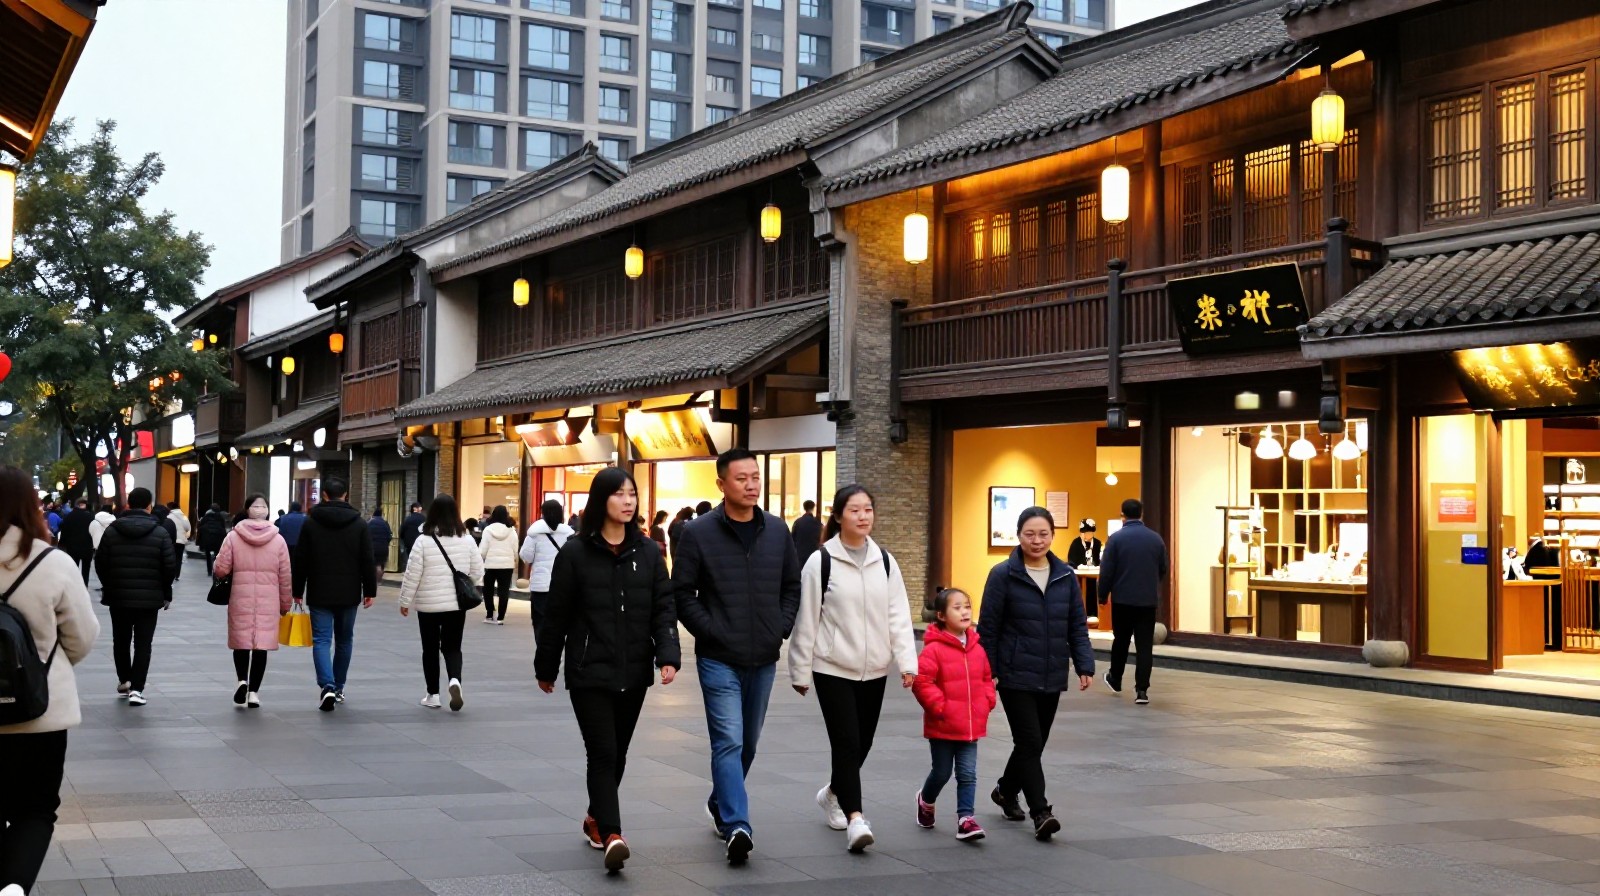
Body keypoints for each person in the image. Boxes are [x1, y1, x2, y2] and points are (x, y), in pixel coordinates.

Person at [536, 468, 680, 874]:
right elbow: (557, 615)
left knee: (618, 753)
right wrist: (546, 666)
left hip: (633, 671)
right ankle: (614, 834)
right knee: (602, 751)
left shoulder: (650, 553)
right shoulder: (575, 553)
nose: (628, 501)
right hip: (588, 671)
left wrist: (667, 653)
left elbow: (663, 607)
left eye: (632, 494)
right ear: (602, 501)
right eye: (619, 494)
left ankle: (595, 816)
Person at [673, 448, 802, 866]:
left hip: (763, 655)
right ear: (722, 484)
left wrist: (778, 628)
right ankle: (737, 825)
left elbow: (791, 587)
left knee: (748, 742)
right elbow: (682, 595)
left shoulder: (778, 531)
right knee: (728, 740)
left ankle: (719, 801)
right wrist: (712, 632)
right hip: (718, 657)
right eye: (742, 478)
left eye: (755, 477)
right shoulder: (697, 533)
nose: (751, 484)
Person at [787, 485, 917, 853]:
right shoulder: (820, 561)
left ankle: (832, 793)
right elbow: (807, 618)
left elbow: (898, 615)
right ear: (839, 515)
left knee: (863, 742)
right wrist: (800, 671)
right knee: (846, 742)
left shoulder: (886, 561)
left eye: (868, 510)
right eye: (855, 510)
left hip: (875, 668)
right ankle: (856, 818)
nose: (863, 516)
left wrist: (907, 662)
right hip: (832, 667)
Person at [0, 466, 99, 896]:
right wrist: (43, 671)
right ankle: (13, 887)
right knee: (35, 809)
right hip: (37, 713)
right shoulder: (51, 561)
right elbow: (82, 637)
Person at [975, 505, 1093, 841]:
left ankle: (1005, 790)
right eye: (1030, 534)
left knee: (1034, 744)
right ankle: (1041, 811)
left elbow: (1076, 624)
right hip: (1014, 674)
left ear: (1053, 536)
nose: (1037, 540)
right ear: (1019, 536)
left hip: (1052, 670)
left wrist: (1084, 663)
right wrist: (991, 670)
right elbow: (989, 627)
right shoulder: (1003, 574)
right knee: (1028, 740)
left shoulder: (1066, 576)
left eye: (1043, 534)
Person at [912, 588, 994, 842]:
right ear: (941, 615)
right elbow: (922, 682)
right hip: (943, 725)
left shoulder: (977, 648)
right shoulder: (933, 649)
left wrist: (987, 701)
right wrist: (941, 707)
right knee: (942, 772)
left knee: (968, 774)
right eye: (957, 607)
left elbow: (986, 678)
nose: (964, 611)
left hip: (971, 725)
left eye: (967, 606)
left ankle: (965, 819)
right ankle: (926, 800)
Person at [293, 477, 377, 712]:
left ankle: (327, 685)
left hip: (319, 590)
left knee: (321, 639)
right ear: (346, 495)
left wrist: (297, 590)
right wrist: (370, 590)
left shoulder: (311, 523)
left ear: (325, 496)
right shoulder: (359, 524)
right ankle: (338, 687)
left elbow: (301, 559)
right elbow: (367, 559)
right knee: (344, 640)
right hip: (349, 591)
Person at [95, 487, 179, 707]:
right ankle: (137, 689)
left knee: (120, 640)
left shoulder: (112, 531)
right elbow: (169, 566)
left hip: (118, 596)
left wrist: (109, 585)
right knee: (143, 643)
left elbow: (101, 562)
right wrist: (165, 589)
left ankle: (124, 679)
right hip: (149, 598)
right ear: (149, 505)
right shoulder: (160, 532)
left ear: (128, 505)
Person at [397, 494, 482, 711]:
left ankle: (432, 694)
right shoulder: (468, 539)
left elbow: (412, 573)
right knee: (453, 647)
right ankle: (455, 680)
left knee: (430, 648)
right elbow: (478, 571)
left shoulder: (423, 541)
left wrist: (405, 600)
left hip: (429, 605)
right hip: (456, 604)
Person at [213, 494, 293, 709]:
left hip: (240, 598)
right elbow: (285, 577)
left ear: (247, 510)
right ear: (267, 510)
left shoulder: (233, 537)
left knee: (241, 642)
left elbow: (221, 569)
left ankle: (241, 680)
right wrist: (285, 604)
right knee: (261, 647)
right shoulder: (278, 540)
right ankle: (254, 693)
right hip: (269, 601)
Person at [1099, 498, 1169, 706]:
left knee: (1121, 640)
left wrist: (1103, 595)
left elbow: (1107, 572)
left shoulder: (1116, 540)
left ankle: (1115, 678)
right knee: (1144, 646)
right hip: (1147, 601)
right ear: (1141, 514)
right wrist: (1151, 584)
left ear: (1123, 515)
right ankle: (1142, 690)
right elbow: (1163, 567)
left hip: (1122, 600)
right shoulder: (1156, 539)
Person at [519, 499, 573, 633]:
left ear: (543, 513)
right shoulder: (569, 535)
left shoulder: (534, 534)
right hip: (563, 584)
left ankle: (542, 649)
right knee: (559, 622)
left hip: (541, 585)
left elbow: (527, 557)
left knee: (540, 621)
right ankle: (556, 649)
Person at [478, 505, 518, 624]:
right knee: (504, 591)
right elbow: (515, 549)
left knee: (488, 590)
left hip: (490, 565)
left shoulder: (488, 530)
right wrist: (514, 559)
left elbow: (483, 550)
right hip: (507, 565)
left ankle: (489, 614)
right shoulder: (511, 530)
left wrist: (482, 559)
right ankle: (501, 617)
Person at [1066, 518, 1103, 621]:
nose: (1086, 535)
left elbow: (1101, 560)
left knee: (1094, 592)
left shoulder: (1098, 544)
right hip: (1080, 577)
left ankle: (1094, 614)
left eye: (1089, 532)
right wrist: (1078, 566)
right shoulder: (1076, 543)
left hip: (1094, 576)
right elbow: (1071, 561)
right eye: (1084, 533)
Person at [57, 500, 96, 585]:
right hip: (87, 546)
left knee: (73, 568)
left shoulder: (69, 516)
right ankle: (84, 586)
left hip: (72, 547)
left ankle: (74, 586)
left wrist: (62, 543)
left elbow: (64, 531)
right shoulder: (90, 517)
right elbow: (93, 531)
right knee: (86, 569)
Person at [196, 503, 229, 577]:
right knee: (217, 554)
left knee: (207, 555)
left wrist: (199, 541)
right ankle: (215, 569)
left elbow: (200, 528)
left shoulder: (206, 517)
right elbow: (223, 529)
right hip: (218, 539)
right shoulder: (221, 518)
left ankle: (209, 571)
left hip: (207, 539)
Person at [790, 500, 822, 570]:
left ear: (804, 508)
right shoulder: (817, 523)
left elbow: (792, 539)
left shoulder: (798, 522)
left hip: (800, 555)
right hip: (814, 554)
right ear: (813, 508)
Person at [166, 502, 192, 580]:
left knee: (171, 557)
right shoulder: (184, 516)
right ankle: (177, 574)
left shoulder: (168, 516)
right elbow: (188, 527)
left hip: (171, 540)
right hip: (181, 541)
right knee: (179, 558)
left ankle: (171, 573)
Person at [368, 507, 394, 582]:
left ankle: (374, 579)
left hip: (373, 547)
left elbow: (366, 535)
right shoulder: (385, 523)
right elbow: (389, 536)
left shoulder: (369, 522)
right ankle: (379, 577)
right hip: (383, 548)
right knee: (381, 563)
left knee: (373, 563)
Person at [399, 502, 425, 570]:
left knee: (410, 562)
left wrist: (403, 542)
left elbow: (401, 532)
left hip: (409, 544)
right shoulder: (424, 519)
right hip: (421, 544)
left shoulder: (408, 519)